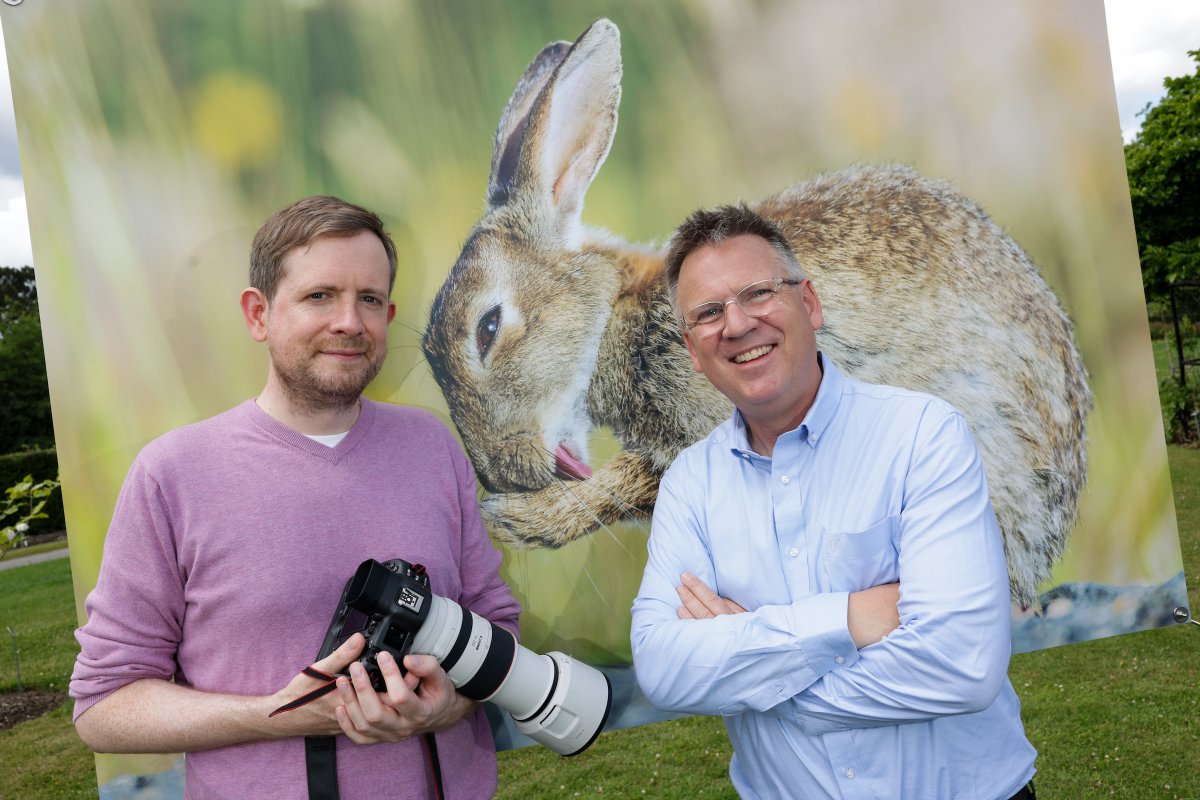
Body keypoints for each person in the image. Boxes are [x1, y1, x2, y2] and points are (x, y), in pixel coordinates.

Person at [70, 195, 521, 799]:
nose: (349, 323)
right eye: (319, 296)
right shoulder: (171, 475)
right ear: (258, 314)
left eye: (369, 300)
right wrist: (279, 713)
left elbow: (495, 619)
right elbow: (104, 707)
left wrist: (452, 705)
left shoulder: (432, 446)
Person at [630, 204, 1038, 800]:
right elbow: (664, 669)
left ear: (810, 304)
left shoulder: (922, 435)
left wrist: (767, 680)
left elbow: (965, 667)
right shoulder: (690, 483)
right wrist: (849, 619)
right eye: (709, 313)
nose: (738, 324)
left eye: (758, 293)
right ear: (693, 351)